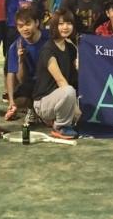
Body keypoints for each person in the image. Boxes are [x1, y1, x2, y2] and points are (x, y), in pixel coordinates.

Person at [33, 9, 81, 140]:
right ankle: (60, 127)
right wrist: (75, 108)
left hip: (60, 98)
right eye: (61, 24)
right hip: (43, 102)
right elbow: (60, 80)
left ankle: (58, 119)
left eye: (69, 23)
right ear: (54, 26)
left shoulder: (70, 48)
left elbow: (74, 77)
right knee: (69, 91)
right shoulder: (48, 49)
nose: (65, 27)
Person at [4, 6, 50, 122]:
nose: (25, 28)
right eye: (20, 26)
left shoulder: (50, 39)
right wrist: (11, 102)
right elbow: (15, 76)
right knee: (20, 101)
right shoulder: (15, 46)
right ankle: (33, 108)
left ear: (37, 23)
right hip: (32, 84)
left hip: (50, 82)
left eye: (28, 24)